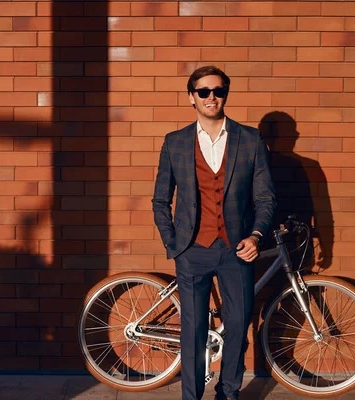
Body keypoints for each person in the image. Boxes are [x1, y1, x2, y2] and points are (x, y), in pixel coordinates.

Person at [152, 65, 277, 400]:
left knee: (238, 325)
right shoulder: (175, 142)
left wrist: (256, 236)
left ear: (226, 94)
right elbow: (161, 200)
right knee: (192, 330)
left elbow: (265, 197)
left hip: (237, 249)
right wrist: (174, 243)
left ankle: (229, 392)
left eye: (218, 90)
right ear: (191, 97)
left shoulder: (249, 139)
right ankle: (191, 397)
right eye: (204, 91)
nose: (211, 97)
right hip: (192, 251)